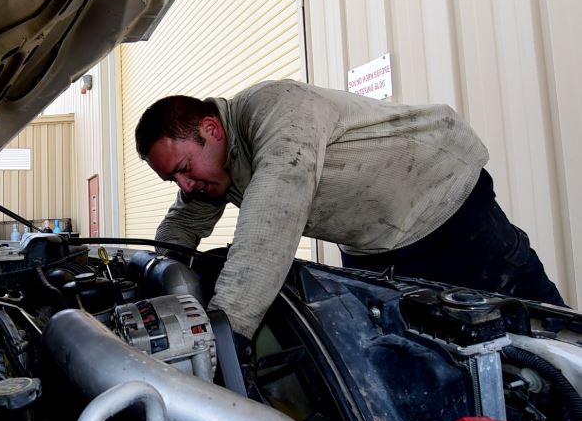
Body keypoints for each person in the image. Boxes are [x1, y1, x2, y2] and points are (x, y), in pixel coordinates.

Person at [135, 80, 566, 344]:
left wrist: (229, 329)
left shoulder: (275, 108)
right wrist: (152, 276)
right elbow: (182, 224)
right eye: (174, 180)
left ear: (211, 129)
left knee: (533, 324)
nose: (186, 186)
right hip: (374, 244)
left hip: (444, 202)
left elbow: (272, 215)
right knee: (412, 351)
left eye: (184, 169)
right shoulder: (213, 171)